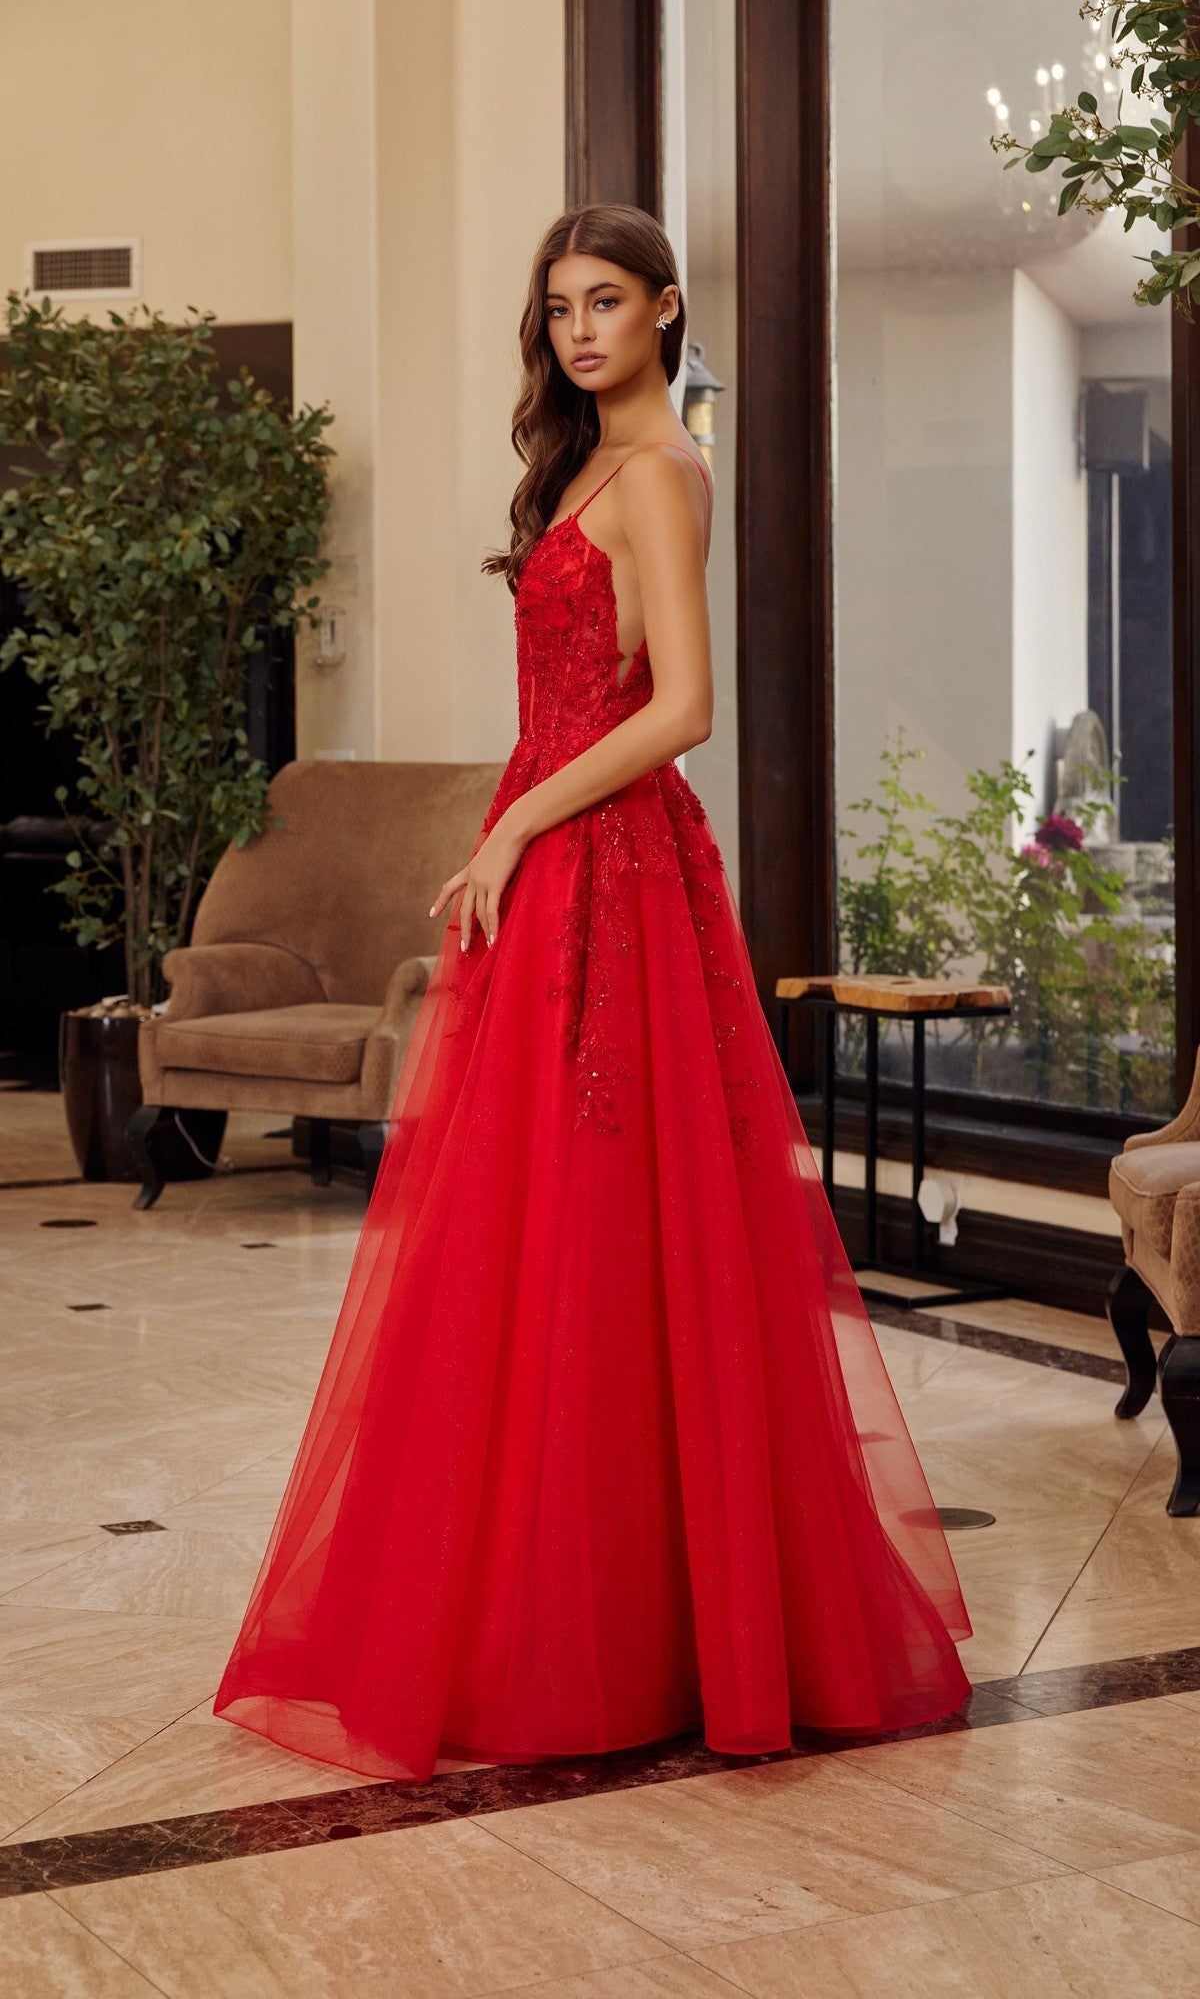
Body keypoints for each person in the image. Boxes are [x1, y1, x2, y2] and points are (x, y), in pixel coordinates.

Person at [213, 202, 971, 1784]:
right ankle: (551, 1604)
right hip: (560, 868)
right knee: (536, 1237)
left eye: (607, 299)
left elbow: (683, 706)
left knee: (619, 1228)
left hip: (610, 873)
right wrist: (516, 833)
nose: (578, 327)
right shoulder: (580, 475)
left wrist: (519, 820)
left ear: (667, 309)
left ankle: (639, 1632)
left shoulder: (664, 480)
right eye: (558, 304)